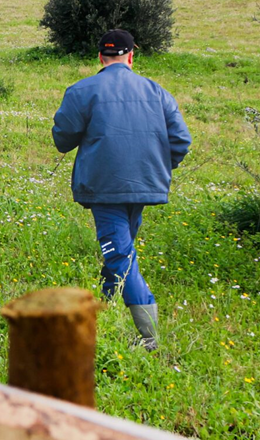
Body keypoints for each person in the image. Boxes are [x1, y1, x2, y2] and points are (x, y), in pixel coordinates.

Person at [52, 29, 191, 350]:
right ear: (131, 56)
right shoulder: (158, 92)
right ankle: (101, 310)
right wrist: (155, 167)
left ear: (100, 57)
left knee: (121, 256)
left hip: (104, 187)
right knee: (121, 249)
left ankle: (150, 339)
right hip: (144, 185)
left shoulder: (82, 90)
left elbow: (62, 140)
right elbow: (181, 141)